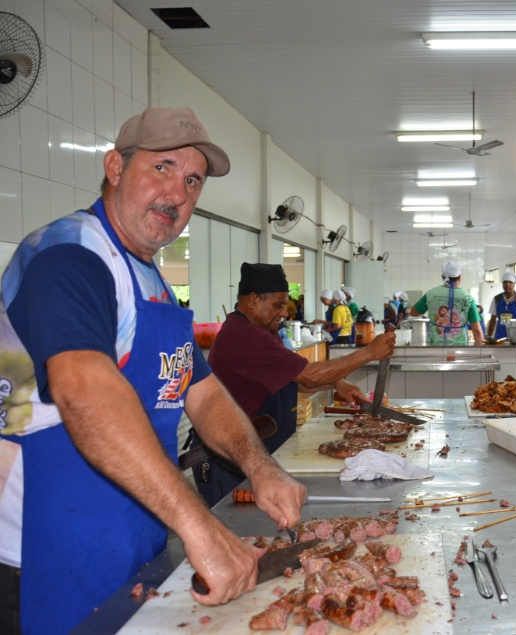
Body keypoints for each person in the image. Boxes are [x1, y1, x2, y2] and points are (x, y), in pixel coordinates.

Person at [0, 107, 305, 635]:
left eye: (192, 180)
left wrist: (260, 467)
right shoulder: (69, 256)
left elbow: (202, 393)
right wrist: (200, 525)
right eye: (162, 168)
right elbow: (84, 393)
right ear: (115, 167)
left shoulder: (149, 279)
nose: (178, 192)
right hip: (40, 550)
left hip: (128, 540)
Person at [194, 262, 396, 506]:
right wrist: (369, 353)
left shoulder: (261, 331)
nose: (284, 313)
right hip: (228, 462)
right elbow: (308, 375)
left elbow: (290, 380)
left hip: (253, 454)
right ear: (253, 300)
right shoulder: (245, 336)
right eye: (277, 305)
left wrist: (336, 384)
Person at [410, 261, 485, 346]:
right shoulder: (467, 298)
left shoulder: (431, 294)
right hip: (460, 348)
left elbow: (413, 312)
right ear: (459, 277)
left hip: (435, 347)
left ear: (442, 277)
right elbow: (477, 330)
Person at [487, 272, 516, 341]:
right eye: (505, 282)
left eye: (510, 282)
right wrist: (489, 337)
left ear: (514, 284)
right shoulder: (497, 299)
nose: (507, 284)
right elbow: (493, 320)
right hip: (500, 338)